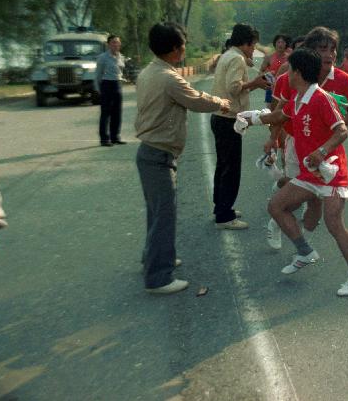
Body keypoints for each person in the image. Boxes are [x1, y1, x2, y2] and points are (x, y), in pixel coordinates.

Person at [249, 48, 348, 296]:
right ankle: (304, 251)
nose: (285, 73)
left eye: (289, 69)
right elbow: (280, 115)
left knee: (334, 224)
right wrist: (251, 120)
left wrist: (322, 151)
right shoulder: (298, 98)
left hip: (331, 173)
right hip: (309, 174)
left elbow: (342, 130)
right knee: (276, 205)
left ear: (298, 73)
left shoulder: (321, 98)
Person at [135, 23, 230, 294]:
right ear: (175, 49)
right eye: (183, 45)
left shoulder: (150, 71)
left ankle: (155, 257)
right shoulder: (169, 77)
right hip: (158, 154)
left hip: (150, 152)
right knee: (164, 215)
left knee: (156, 212)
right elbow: (196, 100)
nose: (185, 49)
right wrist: (221, 103)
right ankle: (158, 277)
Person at [268, 26, 348, 237]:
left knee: (315, 197)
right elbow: (278, 113)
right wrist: (273, 138)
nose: (330, 54)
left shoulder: (345, 80)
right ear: (311, 51)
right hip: (295, 141)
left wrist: (335, 125)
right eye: (323, 49)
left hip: (330, 147)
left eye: (333, 49)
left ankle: (291, 222)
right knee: (301, 189)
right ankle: (279, 218)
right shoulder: (290, 77)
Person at [211, 23, 269, 229]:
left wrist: (253, 82)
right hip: (229, 119)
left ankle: (221, 208)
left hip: (221, 116)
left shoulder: (228, 55)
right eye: (253, 45)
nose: (254, 49)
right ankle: (225, 216)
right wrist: (255, 83)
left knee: (223, 166)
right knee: (231, 169)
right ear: (245, 43)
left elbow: (234, 89)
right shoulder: (236, 58)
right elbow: (234, 88)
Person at [95, 35, 126, 146]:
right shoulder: (102, 57)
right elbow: (98, 75)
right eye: (113, 42)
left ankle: (115, 137)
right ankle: (104, 139)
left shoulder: (121, 57)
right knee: (105, 113)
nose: (116, 44)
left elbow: (120, 72)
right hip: (107, 85)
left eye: (118, 42)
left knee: (117, 113)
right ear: (108, 44)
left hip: (117, 85)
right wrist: (99, 90)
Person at [260, 34, 292, 105]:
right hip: (271, 88)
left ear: (286, 44)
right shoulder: (269, 57)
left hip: (285, 87)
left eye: (283, 42)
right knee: (269, 109)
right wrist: (268, 79)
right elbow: (261, 72)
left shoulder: (290, 58)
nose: (280, 44)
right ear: (275, 44)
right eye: (278, 42)